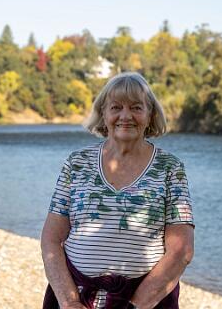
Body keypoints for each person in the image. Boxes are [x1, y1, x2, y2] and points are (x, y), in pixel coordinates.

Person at [41, 72, 194, 309]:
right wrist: (69, 301)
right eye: (116, 107)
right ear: (103, 114)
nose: (125, 116)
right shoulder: (77, 163)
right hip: (76, 297)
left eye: (136, 107)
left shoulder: (170, 168)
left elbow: (181, 251)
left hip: (146, 303)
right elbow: (51, 239)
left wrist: (135, 306)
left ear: (150, 115)